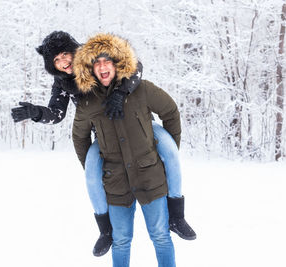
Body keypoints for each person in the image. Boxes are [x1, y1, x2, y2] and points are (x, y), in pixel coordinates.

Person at [11, 31, 195, 257]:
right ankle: (106, 230)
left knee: (169, 150)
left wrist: (121, 92)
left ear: (74, 50)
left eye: (65, 55)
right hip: (104, 134)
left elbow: (133, 66)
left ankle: (176, 216)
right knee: (91, 172)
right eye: (56, 60)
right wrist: (37, 112)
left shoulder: (94, 59)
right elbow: (57, 114)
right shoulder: (62, 83)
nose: (63, 63)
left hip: (135, 124)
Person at [72, 33, 184, 266]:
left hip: (150, 177)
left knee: (161, 236)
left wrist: (166, 151)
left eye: (107, 61)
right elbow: (79, 137)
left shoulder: (141, 90)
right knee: (121, 241)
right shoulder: (88, 103)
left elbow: (171, 112)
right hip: (116, 184)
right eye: (97, 63)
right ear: (91, 69)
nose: (102, 67)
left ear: (116, 64)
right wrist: (93, 167)